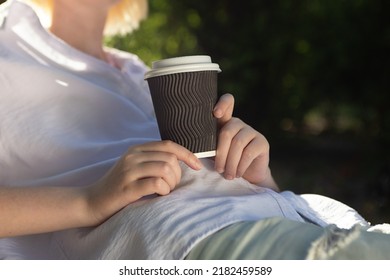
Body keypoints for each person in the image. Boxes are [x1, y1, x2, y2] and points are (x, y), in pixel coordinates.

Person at [0, 0, 389, 260]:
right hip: (190, 238)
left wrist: (256, 172)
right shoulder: (8, 44)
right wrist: (87, 200)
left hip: (302, 214)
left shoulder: (139, 73)